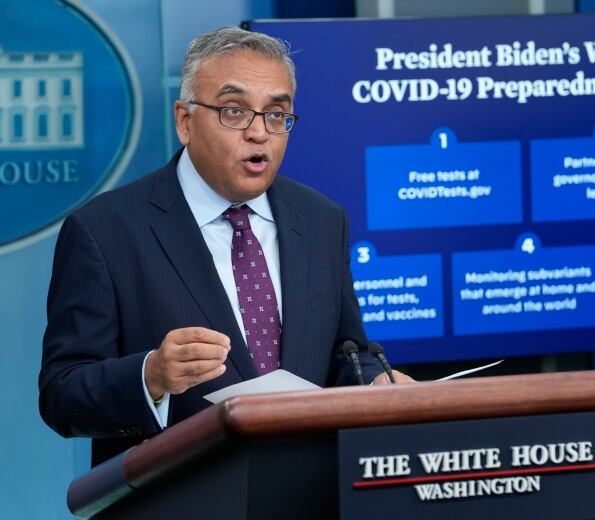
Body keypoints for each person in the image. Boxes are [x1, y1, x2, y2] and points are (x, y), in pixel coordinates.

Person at [39, 27, 412, 467]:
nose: (260, 134)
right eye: (235, 111)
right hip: (178, 495)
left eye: (277, 114)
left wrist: (374, 384)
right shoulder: (105, 230)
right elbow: (61, 393)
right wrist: (150, 376)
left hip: (308, 489)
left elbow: (345, 353)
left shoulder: (321, 220)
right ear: (184, 121)